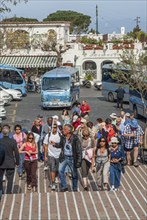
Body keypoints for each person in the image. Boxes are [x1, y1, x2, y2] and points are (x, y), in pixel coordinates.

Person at [53, 124, 82, 192]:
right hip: (64, 157)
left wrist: (79, 161)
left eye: (65, 129)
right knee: (60, 171)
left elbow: (79, 150)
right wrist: (54, 144)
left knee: (74, 173)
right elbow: (61, 145)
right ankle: (64, 186)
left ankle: (75, 188)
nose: (63, 130)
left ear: (69, 131)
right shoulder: (63, 137)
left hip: (72, 157)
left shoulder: (75, 138)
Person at [0, 125, 19, 195]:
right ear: (9, 133)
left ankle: (1, 191)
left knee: (0, 179)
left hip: (1, 163)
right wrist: (17, 162)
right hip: (10, 162)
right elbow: (16, 153)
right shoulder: (13, 141)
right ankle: (8, 192)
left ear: (2, 133)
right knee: (10, 179)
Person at [44, 124, 61, 191]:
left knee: (57, 168)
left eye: (55, 128)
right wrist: (45, 155)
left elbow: (62, 144)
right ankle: (53, 183)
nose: (53, 129)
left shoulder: (60, 135)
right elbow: (45, 146)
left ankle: (56, 176)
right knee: (52, 169)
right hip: (51, 155)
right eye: (52, 128)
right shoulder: (48, 136)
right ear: (50, 128)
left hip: (58, 155)